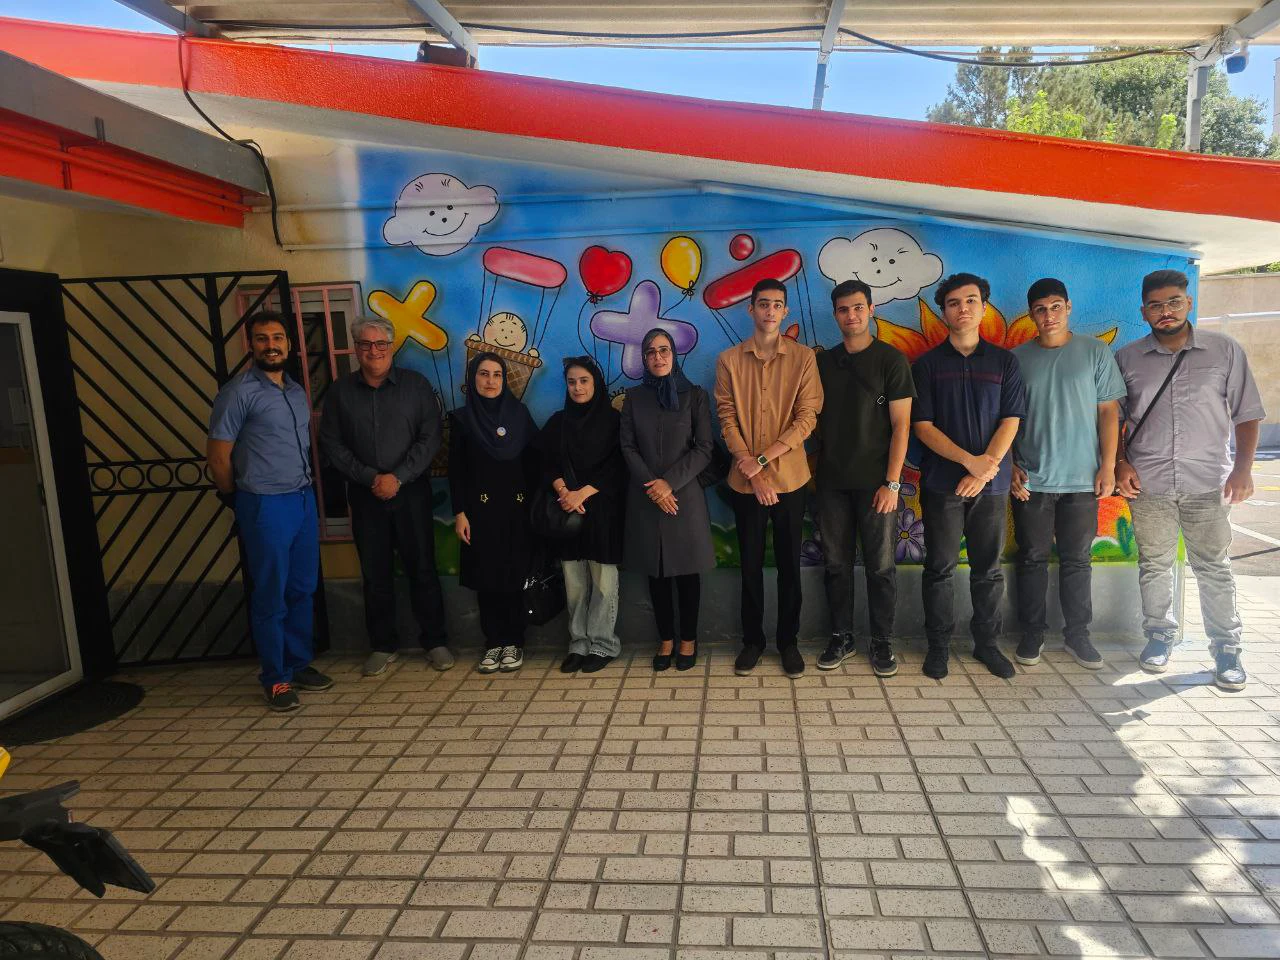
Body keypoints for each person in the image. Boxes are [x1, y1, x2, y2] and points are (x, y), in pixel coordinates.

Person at [1116, 269, 1263, 691]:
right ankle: (1159, 637)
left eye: (1174, 302)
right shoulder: (1127, 359)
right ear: (1143, 312)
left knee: (1214, 567)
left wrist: (1243, 468)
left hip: (1208, 482)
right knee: (1154, 564)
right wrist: (1120, 462)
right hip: (1149, 482)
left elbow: (1247, 413)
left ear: (1189, 303)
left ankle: (1227, 649)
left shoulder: (1224, 350)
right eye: (1156, 305)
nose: (1166, 311)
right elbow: (1112, 420)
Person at [207, 311, 333, 711]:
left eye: (277, 337)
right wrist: (235, 496)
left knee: (302, 587)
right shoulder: (237, 393)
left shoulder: (295, 391)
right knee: (271, 591)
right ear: (251, 345)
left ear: (289, 344)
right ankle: (276, 678)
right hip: (264, 502)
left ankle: (298, 663)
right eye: (262, 338)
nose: (271, 345)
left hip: (301, 498)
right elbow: (218, 456)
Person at [319, 316, 454, 678]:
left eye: (380, 344)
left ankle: (435, 641)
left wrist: (399, 477)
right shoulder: (340, 393)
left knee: (422, 567)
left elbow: (431, 436)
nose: (373, 351)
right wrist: (371, 478)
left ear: (391, 347)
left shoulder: (416, 386)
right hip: (365, 497)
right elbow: (331, 443)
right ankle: (382, 644)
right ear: (356, 348)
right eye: (365, 344)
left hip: (411, 493)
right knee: (374, 572)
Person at [912, 273, 1027, 680]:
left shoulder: (1004, 362)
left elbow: (1011, 420)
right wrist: (969, 462)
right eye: (954, 303)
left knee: (988, 569)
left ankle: (987, 644)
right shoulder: (927, 365)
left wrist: (986, 468)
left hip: (992, 486)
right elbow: (922, 426)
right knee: (939, 568)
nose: (963, 308)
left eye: (971, 300)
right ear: (944, 312)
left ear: (984, 306)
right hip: (941, 484)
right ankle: (938, 646)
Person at [1010, 279, 1126, 670]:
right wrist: (1010, 464)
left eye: (1056, 307)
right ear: (1031, 314)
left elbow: (1108, 411)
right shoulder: (1017, 359)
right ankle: (1032, 633)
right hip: (1032, 480)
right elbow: (1007, 418)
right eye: (1041, 309)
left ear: (1069, 307)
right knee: (1032, 558)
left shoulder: (1095, 352)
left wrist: (1107, 466)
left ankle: (1078, 635)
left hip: (1083, 478)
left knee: (1078, 560)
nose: (1049, 316)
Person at [715, 278, 824, 679]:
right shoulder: (729, 360)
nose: (770, 311)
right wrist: (749, 464)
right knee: (749, 566)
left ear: (786, 311)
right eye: (763, 304)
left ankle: (788, 642)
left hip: (791, 479)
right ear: (751, 309)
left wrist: (762, 459)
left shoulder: (803, 359)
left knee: (789, 567)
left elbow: (807, 418)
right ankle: (752, 641)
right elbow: (726, 416)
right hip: (744, 481)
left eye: (778, 304)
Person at [813, 279, 915, 677]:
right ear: (835, 315)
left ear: (871, 310)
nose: (851, 315)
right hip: (831, 483)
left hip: (878, 485)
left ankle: (882, 640)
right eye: (843, 309)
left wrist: (892, 483)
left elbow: (902, 426)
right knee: (835, 565)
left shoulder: (891, 360)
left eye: (858, 307)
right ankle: (841, 636)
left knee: (881, 567)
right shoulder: (823, 363)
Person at [620, 328, 716, 672]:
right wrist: (653, 486)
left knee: (687, 572)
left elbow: (704, 448)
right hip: (646, 497)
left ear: (674, 355)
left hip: (683, 496)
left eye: (664, 350)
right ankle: (666, 639)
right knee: (656, 571)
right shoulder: (634, 398)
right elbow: (627, 447)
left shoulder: (694, 396)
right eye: (651, 352)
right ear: (644, 358)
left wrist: (668, 484)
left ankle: (688, 639)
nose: (658, 357)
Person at [449, 352, 540, 674]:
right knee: (487, 578)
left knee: (514, 577)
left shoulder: (519, 415)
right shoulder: (462, 419)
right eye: (484, 374)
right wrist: (460, 513)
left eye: (497, 375)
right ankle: (493, 642)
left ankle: (514, 641)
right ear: (472, 379)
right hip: (480, 513)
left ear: (505, 379)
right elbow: (456, 471)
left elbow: (535, 463)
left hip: (517, 511)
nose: (490, 381)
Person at [540, 356, 626, 673]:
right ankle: (578, 643)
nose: (577, 387)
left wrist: (583, 493)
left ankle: (603, 644)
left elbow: (619, 466)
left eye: (584, 381)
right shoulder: (557, 422)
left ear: (596, 383)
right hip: (567, 515)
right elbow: (544, 462)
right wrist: (564, 492)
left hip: (602, 511)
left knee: (603, 582)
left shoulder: (613, 422)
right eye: (572, 382)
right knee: (574, 583)